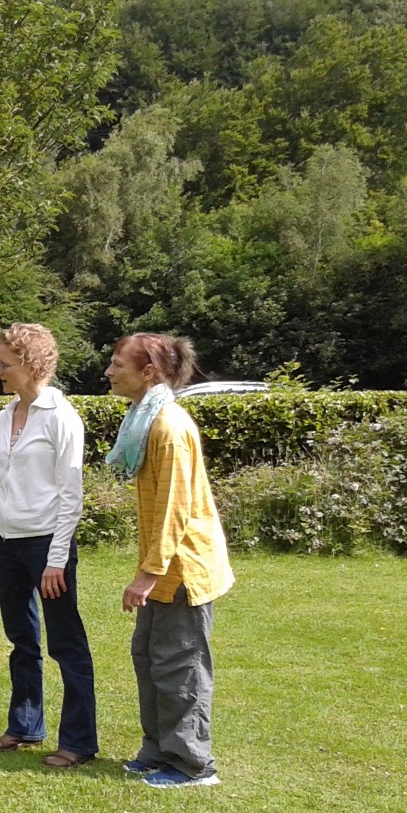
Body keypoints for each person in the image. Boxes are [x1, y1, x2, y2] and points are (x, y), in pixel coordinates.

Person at [105, 333, 234, 788]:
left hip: (183, 570)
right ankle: (158, 751)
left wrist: (147, 574)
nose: (109, 372)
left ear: (149, 372)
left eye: (118, 364)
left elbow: (174, 510)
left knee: (181, 665)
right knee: (150, 658)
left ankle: (193, 765)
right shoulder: (146, 419)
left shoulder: (169, 427)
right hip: (163, 569)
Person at [0, 323, 98, 768]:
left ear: (32, 365)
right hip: (6, 539)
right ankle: (25, 725)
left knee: (66, 643)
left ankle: (79, 742)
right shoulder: (3, 416)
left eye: (5, 364)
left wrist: (56, 559)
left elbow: (71, 495)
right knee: (21, 639)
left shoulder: (61, 417)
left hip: (47, 544)